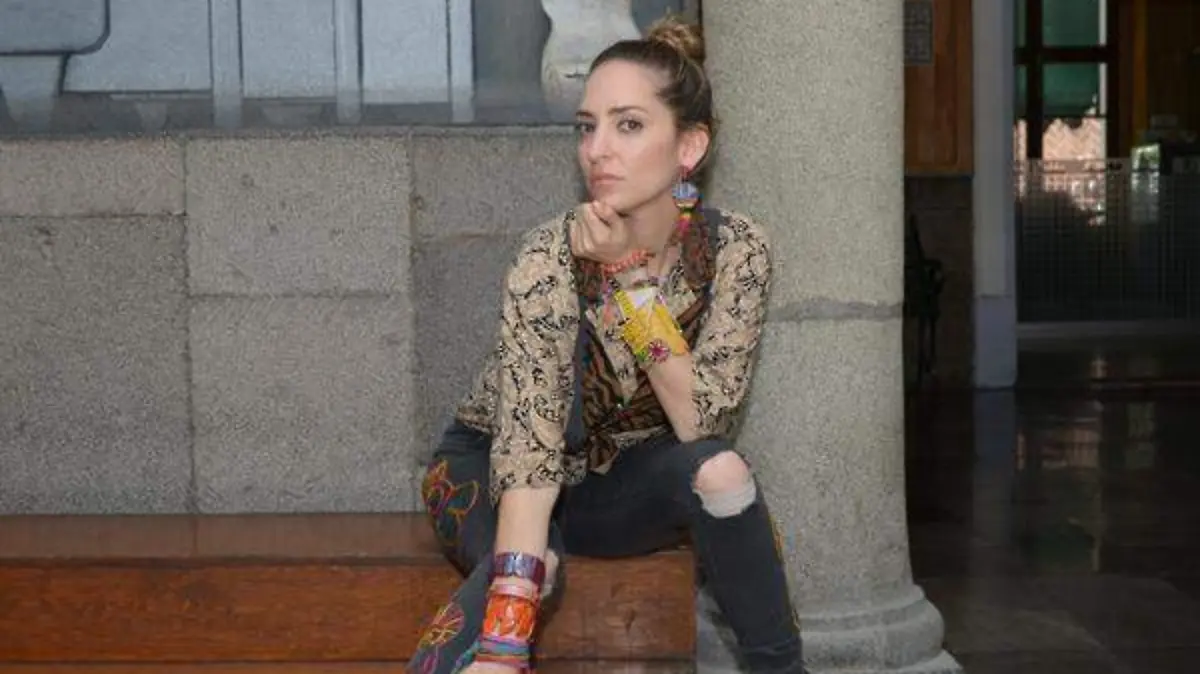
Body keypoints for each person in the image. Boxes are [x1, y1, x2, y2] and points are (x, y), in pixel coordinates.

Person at [408, 15, 806, 674]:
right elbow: (530, 456)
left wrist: (629, 281)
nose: (597, 149)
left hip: (618, 485)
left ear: (689, 147)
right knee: (533, 569)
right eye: (587, 126)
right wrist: (506, 641)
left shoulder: (738, 249)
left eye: (629, 125)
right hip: (493, 468)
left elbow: (700, 423)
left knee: (723, 474)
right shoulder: (549, 255)